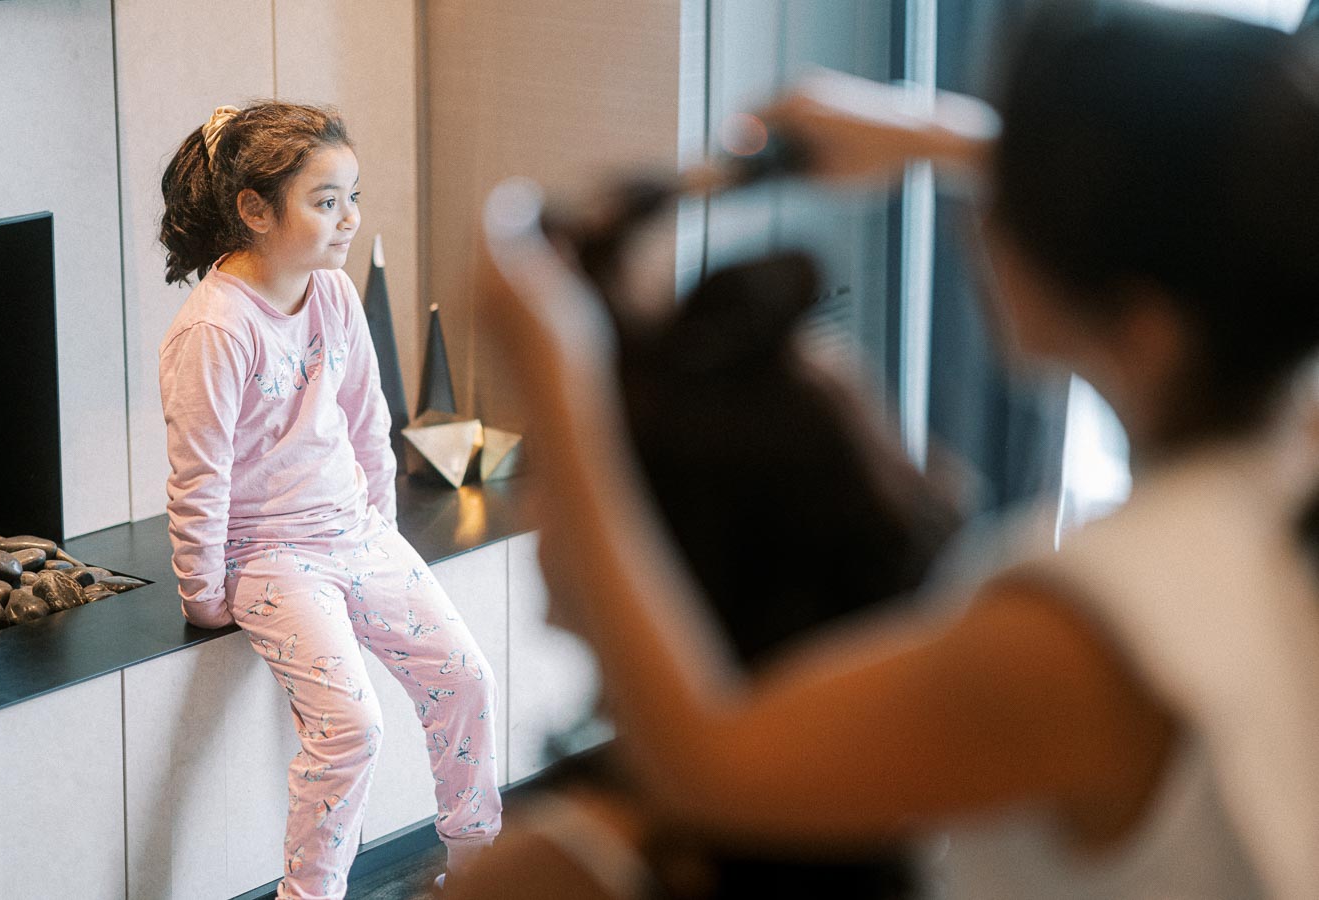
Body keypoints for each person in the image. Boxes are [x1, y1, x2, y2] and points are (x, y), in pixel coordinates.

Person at [471, 1, 1319, 898]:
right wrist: (927, 135)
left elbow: (711, 759)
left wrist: (563, 386)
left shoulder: (1098, 631)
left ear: (1146, 325)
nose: (985, 224)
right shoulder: (1287, 472)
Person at [157, 101, 501, 899]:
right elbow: (198, 475)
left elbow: (366, 416)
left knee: (468, 678)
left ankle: (484, 870)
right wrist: (204, 596)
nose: (349, 220)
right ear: (253, 210)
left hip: (355, 530)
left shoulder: (334, 293)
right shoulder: (214, 331)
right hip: (270, 555)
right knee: (352, 728)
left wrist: (378, 520)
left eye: (353, 197)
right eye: (325, 201)